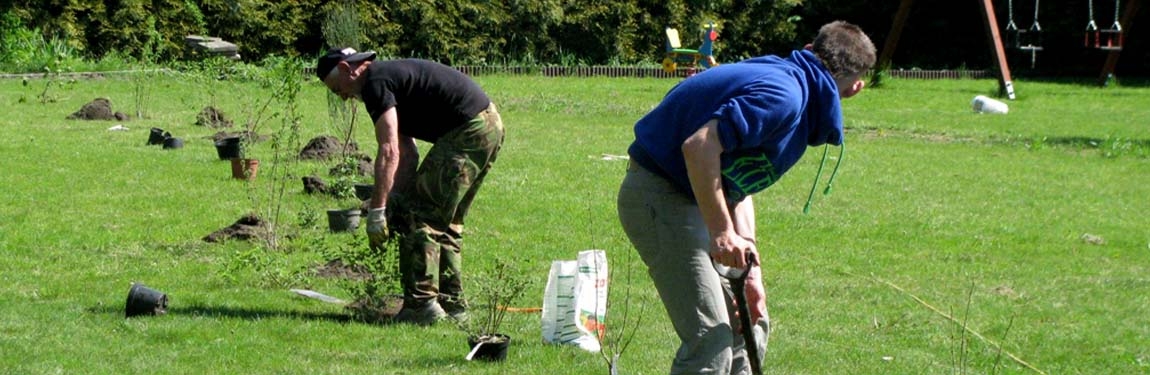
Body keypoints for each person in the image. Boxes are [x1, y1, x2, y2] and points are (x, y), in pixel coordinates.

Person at [616, 21, 875, 374]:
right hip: (661, 195)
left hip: (694, 196)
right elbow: (700, 147)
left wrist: (749, 263)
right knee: (711, 340)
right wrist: (723, 232)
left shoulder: (793, 84)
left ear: (810, 48)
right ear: (855, 86)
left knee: (749, 325)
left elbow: (737, 178)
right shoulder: (784, 94)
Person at [317, 48, 504, 325]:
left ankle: (421, 306)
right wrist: (395, 199)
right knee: (447, 222)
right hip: (488, 125)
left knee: (420, 218)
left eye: (337, 89)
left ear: (348, 69)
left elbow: (389, 150)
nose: (343, 97)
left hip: (467, 130)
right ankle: (452, 305)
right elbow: (407, 152)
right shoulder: (389, 78)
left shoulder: (374, 84)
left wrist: (377, 212)